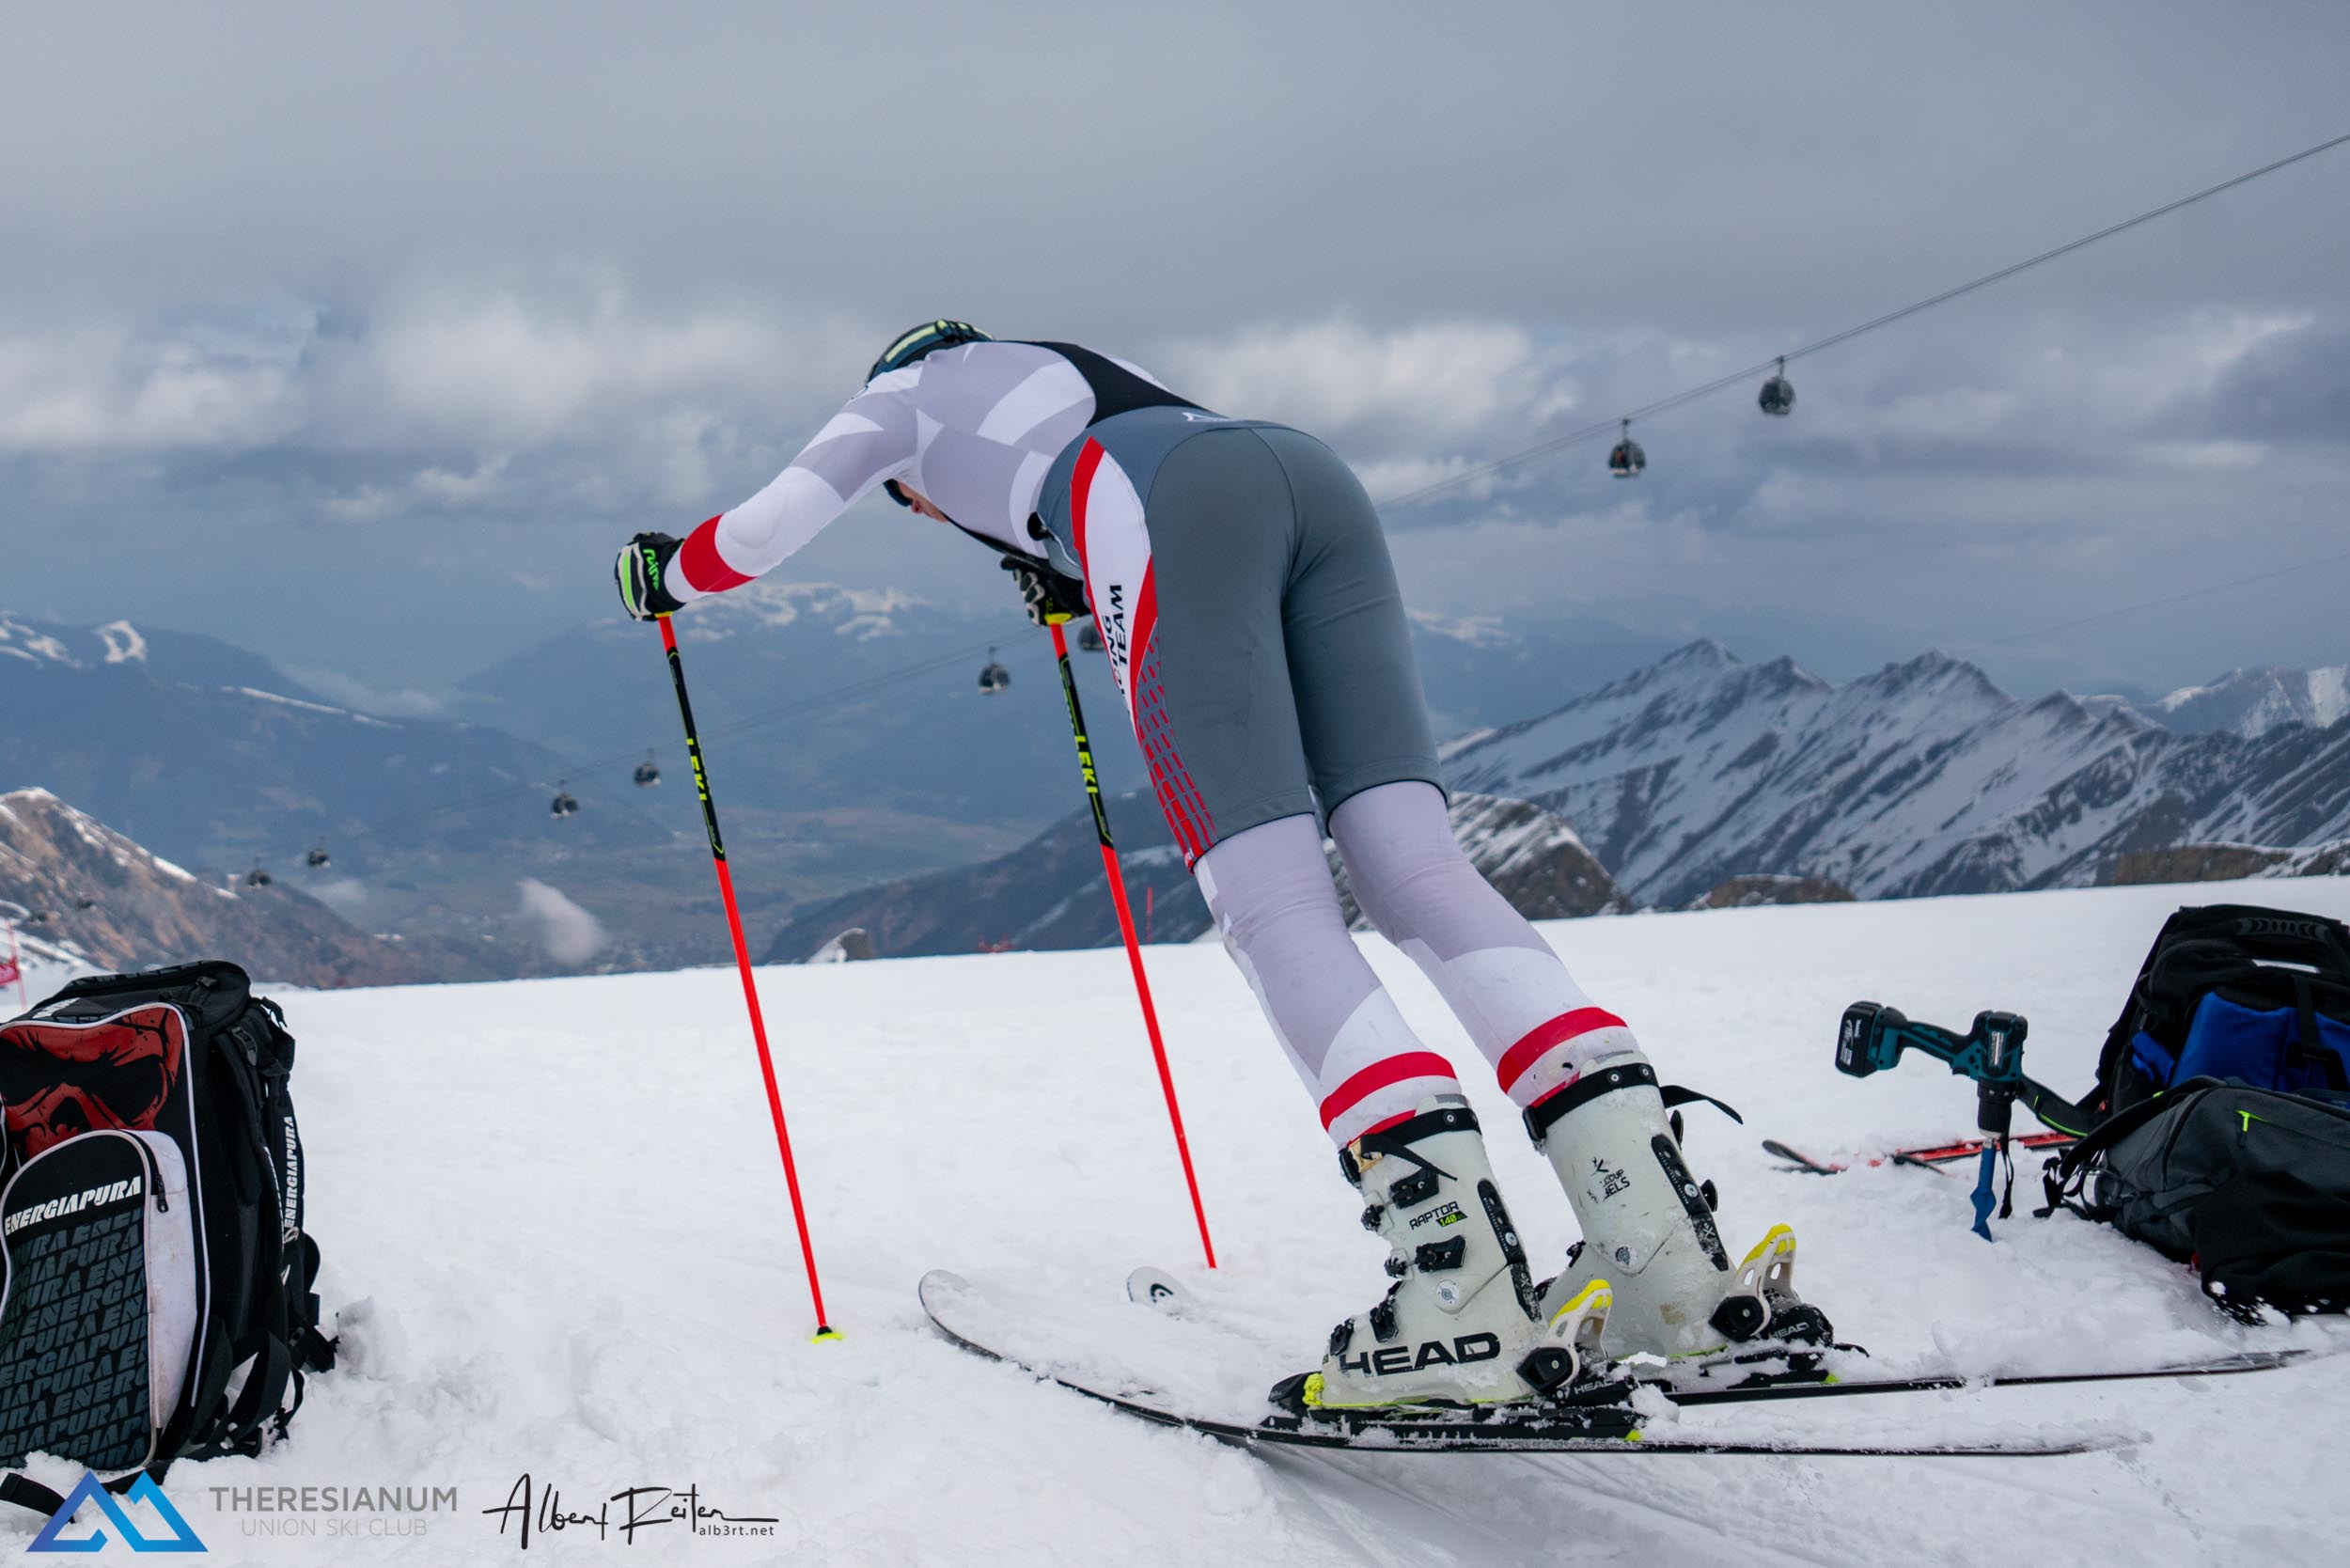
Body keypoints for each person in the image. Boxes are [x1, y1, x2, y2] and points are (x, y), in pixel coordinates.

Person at [616, 321, 1830, 1415]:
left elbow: (763, 531)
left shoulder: (895, 400)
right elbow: (1151, 462)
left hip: (1158, 506)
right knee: (1419, 870)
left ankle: (1458, 1299)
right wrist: (1071, 562)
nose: (922, 511)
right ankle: (1666, 1263)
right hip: (1306, 477)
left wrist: (666, 574)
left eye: (909, 502)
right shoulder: (1051, 358)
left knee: (1274, 899)